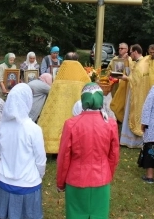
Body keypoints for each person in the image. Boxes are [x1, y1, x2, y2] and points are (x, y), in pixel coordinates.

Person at [57, 83, 119, 219]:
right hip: (101, 180)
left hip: (76, 180)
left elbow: (63, 157)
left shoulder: (71, 124)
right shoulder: (111, 124)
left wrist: (60, 182)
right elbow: (114, 156)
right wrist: (108, 175)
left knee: (75, 215)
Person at [0, 83, 46, 219]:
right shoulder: (33, 129)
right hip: (28, 184)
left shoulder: (2, 127)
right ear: (28, 101)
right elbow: (40, 160)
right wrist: (39, 175)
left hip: (4, 181)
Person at [37, 60, 91, 153]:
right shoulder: (82, 78)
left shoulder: (58, 79)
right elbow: (89, 86)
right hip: (75, 110)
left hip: (58, 111)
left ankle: (54, 148)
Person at [116, 44, 151, 148]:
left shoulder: (140, 65)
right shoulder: (143, 62)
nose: (130, 54)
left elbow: (134, 79)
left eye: (131, 52)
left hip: (135, 94)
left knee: (130, 114)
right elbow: (133, 70)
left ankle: (132, 141)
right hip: (140, 93)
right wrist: (128, 61)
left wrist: (124, 77)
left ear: (135, 52)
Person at [110, 43, 133, 121]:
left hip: (124, 85)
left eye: (122, 48)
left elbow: (131, 72)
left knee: (123, 103)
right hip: (114, 84)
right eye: (119, 48)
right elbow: (108, 69)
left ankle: (123, 119)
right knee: (114, 101)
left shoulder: (130, 59)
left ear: (126, 49)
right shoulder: (114, 59)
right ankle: (115, 117)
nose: (120, 50)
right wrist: (111, 74)